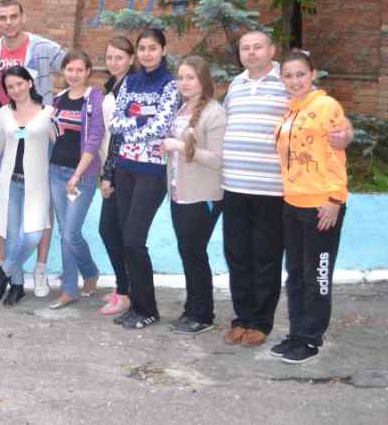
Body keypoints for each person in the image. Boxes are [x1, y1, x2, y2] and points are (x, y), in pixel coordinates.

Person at [221, 30, 352, 347]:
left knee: (266, 257)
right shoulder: (235, 86)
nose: (251, 52)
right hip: (234, 186)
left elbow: (332, 119)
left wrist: (346, 134)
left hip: (272, 189)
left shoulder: (289, 80)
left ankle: (261, 322)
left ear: (272, 50)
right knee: (237, 255)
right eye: (245, 48)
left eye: (258, 46)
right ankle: (242, 317)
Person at [0, 0, 66, 296]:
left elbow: (73, 69)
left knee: (42, 203)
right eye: (2, 17)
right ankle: (2, 263)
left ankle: (40, 268)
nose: (8, 22)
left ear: (23, 17)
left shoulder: (44, 48)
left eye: (13, 16)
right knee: (5, 201)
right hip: (6, 130)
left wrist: (62, 104)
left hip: (40, 132)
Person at [272, 49, 349, 364]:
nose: (295, 81)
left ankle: (311, 338)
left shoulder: (326, 106)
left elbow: (335, 155)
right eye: (288, 76)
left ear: (313, 75)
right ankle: (296, 333)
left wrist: (335, 199)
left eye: (300, 74)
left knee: (316, 274)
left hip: (322, 205)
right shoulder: (291, 111)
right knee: (295, 274)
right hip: (292, 203)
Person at [108, 28, 179, 329]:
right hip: (125, 167)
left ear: (163, 50)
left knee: (135, 239)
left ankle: (147, 308)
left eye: (153, 48)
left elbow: (161, 127)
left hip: (151, 171)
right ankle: (137, 306)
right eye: (142, 48)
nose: (147, 53)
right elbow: (114, 122)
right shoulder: (130, 82)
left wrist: (133, 121)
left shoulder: (170, 84)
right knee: (126, 239)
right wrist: (142, 120)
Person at [162, 55, 226, 335]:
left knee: (195, 253)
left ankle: (203, 315)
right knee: (187, 252)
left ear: (203, 80)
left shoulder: (214, 112)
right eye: (181, 77)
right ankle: (192, 309)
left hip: (203, 196)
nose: (184, 83)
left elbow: (217, 159)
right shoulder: (182, 108)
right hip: (179, 193)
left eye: (191, 77)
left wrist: (178, 146)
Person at [0, 66, 60, 307]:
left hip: (37, 185)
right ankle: (16, 286)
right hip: (9, 184)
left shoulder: (48, 113)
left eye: (20, 83)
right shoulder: (3, 114)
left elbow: (58, 146)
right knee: (12, 237)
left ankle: (5, 270)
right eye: (10, 86)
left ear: (30, 83)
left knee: (32, 235)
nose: (16, 89)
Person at [47, 51, 105, 310]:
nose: (74, 74)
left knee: (70, 233)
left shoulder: (94, 98)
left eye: (79, 70)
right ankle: (76, 284)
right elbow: (52, 135)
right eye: (69, 69)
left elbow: (94, 139)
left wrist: (77, 175)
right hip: (56, 172)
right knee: (66, 233)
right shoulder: (58, 99)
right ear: (64, 71)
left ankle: (83, 277)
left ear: (88, 72)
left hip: (81, 177)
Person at [98, 36, 136, 316]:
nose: (113, 62)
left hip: (123, 169)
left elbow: (120, 137)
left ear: (131, 59)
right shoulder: (113, 86)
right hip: (113, 167)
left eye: (119, 57)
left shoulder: (130, 89)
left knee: (112, 229)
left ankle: (125, 292)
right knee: (114, 230)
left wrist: (108, 174)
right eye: (109, 57)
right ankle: (125, 286)